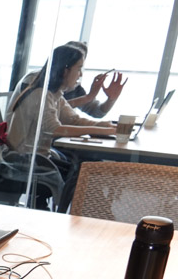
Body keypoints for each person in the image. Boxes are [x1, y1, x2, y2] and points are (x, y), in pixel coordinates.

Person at [6, 44, 116, 211]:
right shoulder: (40, 94)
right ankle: (85, 215)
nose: (80, 74)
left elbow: (74, 120)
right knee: (86, 173)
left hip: (40, 158)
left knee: (89, 168)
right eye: (79, 69)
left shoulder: (54, 94)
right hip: (24, 161)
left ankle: (95, 214)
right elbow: (55, 129)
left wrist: (107, 126)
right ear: (65, 71)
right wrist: (101, 131)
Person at [8, 41, 127, 119]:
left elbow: (96, 112)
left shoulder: (70, 87)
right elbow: (44, 114)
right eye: (78, 67)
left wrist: (111, 99)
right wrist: (88, 97)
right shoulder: (34, 81)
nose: (80, 74)